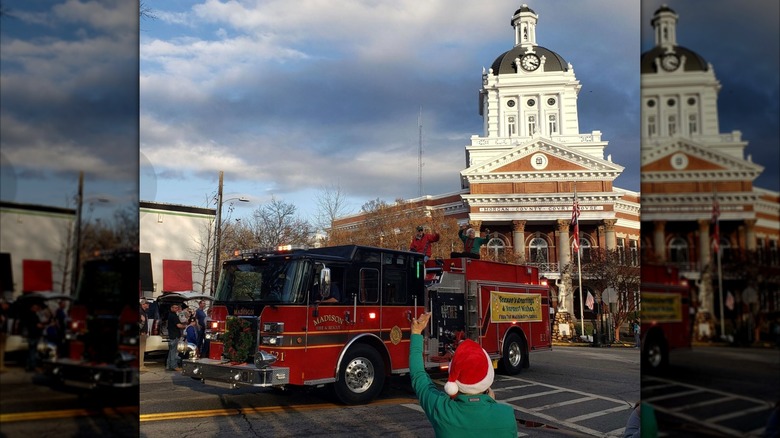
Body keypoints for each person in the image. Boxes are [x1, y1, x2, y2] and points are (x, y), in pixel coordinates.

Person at [409, 312, 517, 437]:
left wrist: (416, 333)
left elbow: (418, 376)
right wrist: (490, 403)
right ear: (487, 377)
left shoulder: (441, 409)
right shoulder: (507, 415)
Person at [22, 302, 46, 372]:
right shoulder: (33, 316)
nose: (37, 309)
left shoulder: (29, 315)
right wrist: (43, 326)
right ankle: (33, 366)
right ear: (32, 308)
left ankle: (28, 366)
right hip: (34, 335)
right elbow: (37, 325)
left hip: (31, 334)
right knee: (33, 351)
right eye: (35, 307)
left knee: (31, 351)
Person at [166, 303, 187, 371]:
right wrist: (185, 326)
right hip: (174, 336)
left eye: (177, 307)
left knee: (171, 352)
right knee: (174, 352)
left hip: (172, 335)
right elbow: (178, 325)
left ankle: (168, 365)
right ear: (171, 308)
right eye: (174, 308)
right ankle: (174, 366)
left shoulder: (171, 315)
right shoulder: (173, 316)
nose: (176, 309)